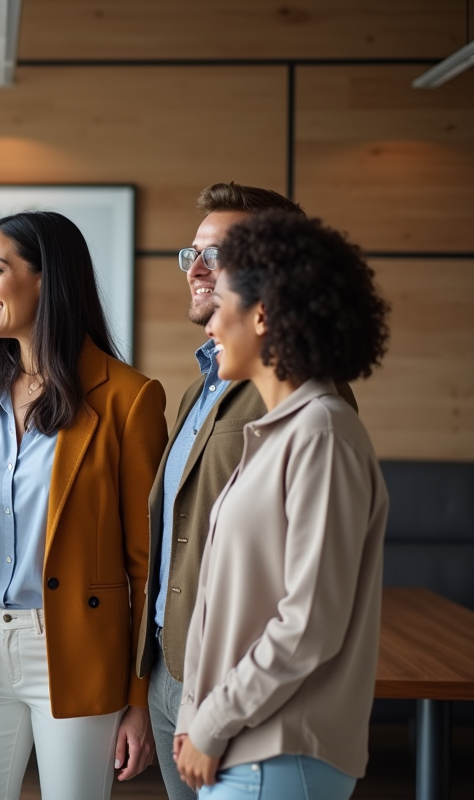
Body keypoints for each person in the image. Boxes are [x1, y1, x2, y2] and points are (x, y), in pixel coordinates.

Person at [0, 210, 168, 799]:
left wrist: (139, 699)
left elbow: (147, 566)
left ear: (45, 278)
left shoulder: (130, 400)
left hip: (78, 649)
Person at [134, 182, 358, 800]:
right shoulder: (195, 392)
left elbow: (308, 610)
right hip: (174, 671)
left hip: (250, 694)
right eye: (193, 253)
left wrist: (216, 715)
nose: (198, 270)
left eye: (221, 255)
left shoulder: (310, 407)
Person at [173, 210, 390, 800]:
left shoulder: (321, 432)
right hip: (246, 747)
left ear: (262, 315)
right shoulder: (277, 432)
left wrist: (212, 723)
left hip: (277, 754)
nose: (211, 323)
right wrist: (197, 714)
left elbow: (309, 623)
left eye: (223, 308)